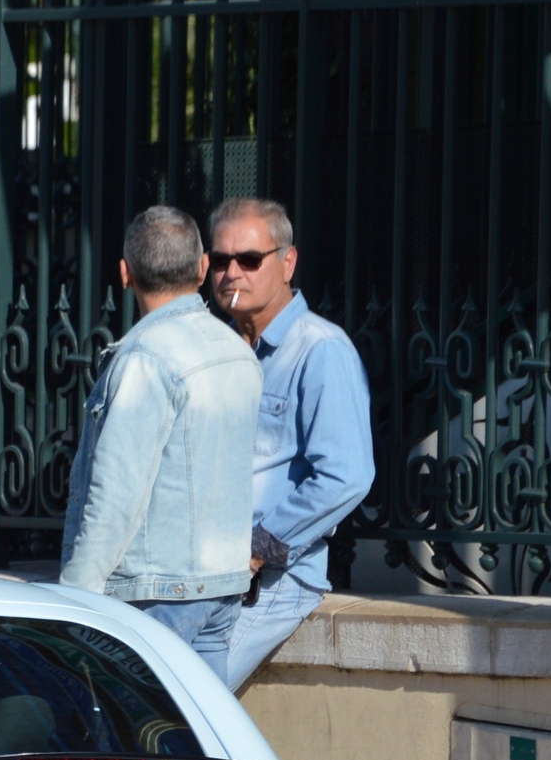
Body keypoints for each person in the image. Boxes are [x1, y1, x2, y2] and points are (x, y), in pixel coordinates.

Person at [57, 206, 261, 668]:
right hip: (221, 584)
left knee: (129, 734)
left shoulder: (145, 358)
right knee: (191, 736)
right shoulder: (237, 350)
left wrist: (73, 600)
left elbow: (116, 495)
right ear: (204, 266)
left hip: (156, 591)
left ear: (125, 274)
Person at [205, 197, 375, 688]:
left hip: (270, 583)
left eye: (249, 260)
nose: (232, 273)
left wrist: (257, 550)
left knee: (178, 711)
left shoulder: (319, 349)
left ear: (287, 262)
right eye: (220, 261)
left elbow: (347, 475)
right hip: (202, 575)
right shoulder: (217, 351)